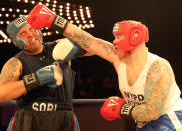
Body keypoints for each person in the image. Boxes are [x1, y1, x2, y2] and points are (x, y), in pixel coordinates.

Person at [27, 4, 182, 131]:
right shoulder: (118, 58)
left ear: (135, 37)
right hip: (142, 123)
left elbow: (152, 112)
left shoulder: (158, 67)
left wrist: (122, 109)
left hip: (170, 119)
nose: (114, 42)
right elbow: (90, 41)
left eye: (119, 36)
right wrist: (55, 20)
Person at [0, 15, 90, 131]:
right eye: (22, 33)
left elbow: (92, 48)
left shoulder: (58, 47)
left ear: (39, 29)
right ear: (16, 41)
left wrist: (76, 48)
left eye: (31, 28)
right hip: (28, 118)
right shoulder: (16, 62)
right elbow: (1, 93)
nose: (30, 34)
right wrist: (38, 78)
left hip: (63, 118)